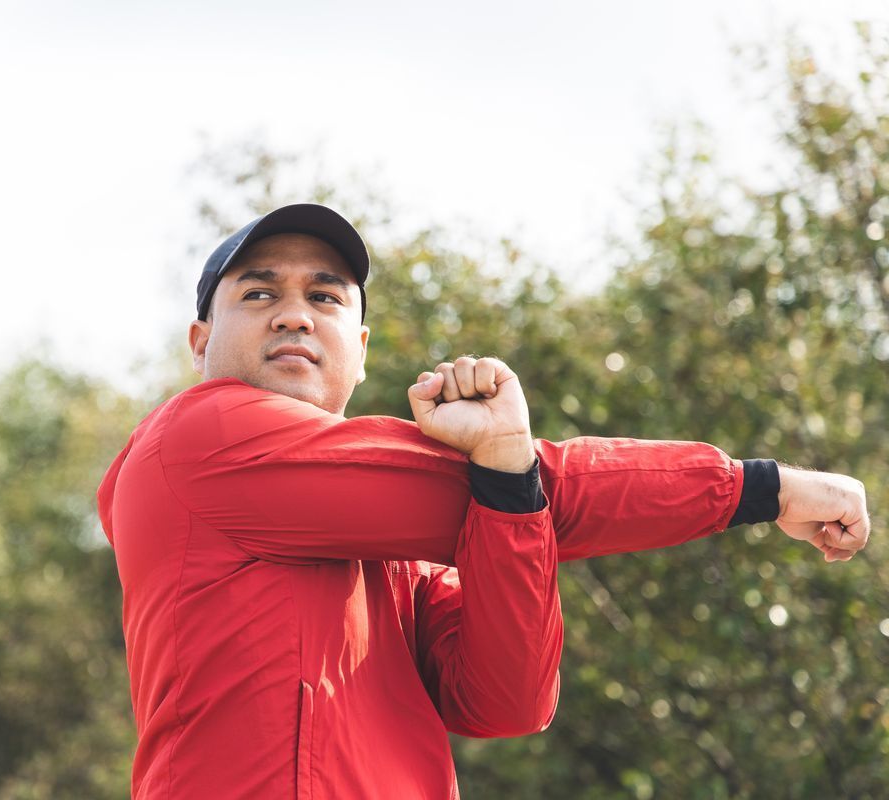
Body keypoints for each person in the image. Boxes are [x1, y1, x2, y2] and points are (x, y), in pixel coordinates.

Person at [96, 203, 871, 799]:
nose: (294, 312)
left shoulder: (388, 545)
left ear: (360, 351)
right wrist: (764, 487)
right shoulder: (203, 437)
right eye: (258, 292)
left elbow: (505, 699)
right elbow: (559, 488)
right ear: (201, 343)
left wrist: (506, 479)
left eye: (326, 297)